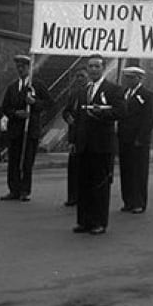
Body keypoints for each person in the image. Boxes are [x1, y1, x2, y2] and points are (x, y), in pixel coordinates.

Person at [62, 55, 125, 235]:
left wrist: (102, 113)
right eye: (90, 66)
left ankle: (99, 222)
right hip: (83, 145)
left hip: (101, 145)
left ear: (103, 68)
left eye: (97, 66)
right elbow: (77, 120)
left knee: (100, 185)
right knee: (83, 185)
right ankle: (84, 221)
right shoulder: (83, 92)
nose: (93, 70)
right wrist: (73, 141)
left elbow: (121, 111)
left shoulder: (113, 90)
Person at [0, 55, 52, 202]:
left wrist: (34, 103)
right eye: (18, 67)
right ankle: (13, 190)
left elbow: (49, 103)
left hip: (30, 130)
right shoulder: (12, 87)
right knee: (14, 161)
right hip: (15, 129)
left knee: (27, 161)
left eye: (23, 66)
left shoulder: (37, 85)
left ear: (29, 68)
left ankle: (25, 190)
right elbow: (5, 107)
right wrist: (16, 113)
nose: (20, 69)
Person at [117, 66, 153, 214]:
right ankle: (128, 201)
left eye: (131, 77)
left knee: (139, 172)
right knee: (126, 171)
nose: (128, 80)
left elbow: (149, 119)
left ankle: (139, 202)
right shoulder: (123, 94)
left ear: (139, 78)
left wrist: (141, 138)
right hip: (124, 139)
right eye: (126, 77)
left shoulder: (147, 95)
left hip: (138, 140)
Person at [63, 66, 90, 207]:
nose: (79, 79)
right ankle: (72, 196)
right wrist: (67, 117)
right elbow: (66, 111)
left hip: (87, 135)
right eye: (77, 76)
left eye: (82, 76)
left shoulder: (91, 93)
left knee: (86, 169)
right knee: (73, 168)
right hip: (74, 135)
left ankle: (84, 197)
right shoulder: (73, 94)